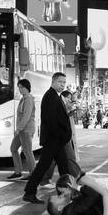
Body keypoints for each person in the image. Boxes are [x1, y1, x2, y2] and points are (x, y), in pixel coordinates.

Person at [23, 72, 72, 203]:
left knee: (63, 167)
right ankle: (30, 192)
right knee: (44, 166)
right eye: (60, 82)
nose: (62, 85)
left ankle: (65, 193)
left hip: (56, 140)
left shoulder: (55, 96)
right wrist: (60, 135)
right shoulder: (50, 96)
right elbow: (50, 119)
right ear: (53, 82)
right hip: (53, 139)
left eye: (64, 83)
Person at [9, 79, 36, 180]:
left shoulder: (28, 99)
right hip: (21, 130)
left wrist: (19, 128)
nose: (20, 89)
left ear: (27, 87)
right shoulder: (23, 98)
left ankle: (33, 173)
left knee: (27, 152)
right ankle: (18, 172)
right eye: (19, 87)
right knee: (13, 148)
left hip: (25, 130)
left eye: (22, 87)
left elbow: (26, 116)